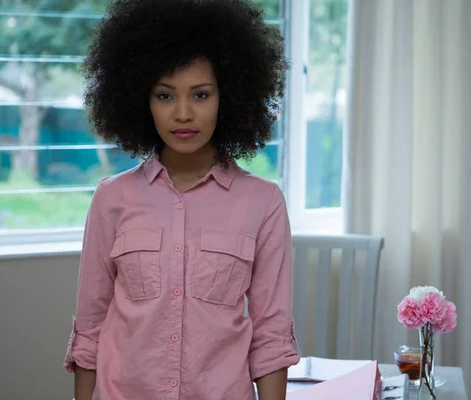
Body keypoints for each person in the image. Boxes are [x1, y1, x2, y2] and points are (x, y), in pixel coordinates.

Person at [63, 0, 300, 399]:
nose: (184, 114)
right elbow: (89, 331)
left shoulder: (264, 203)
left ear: (230, 97)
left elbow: (271, 337)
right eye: (165, 95)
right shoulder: (111, 199)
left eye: (202, 95)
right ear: (141, 99)